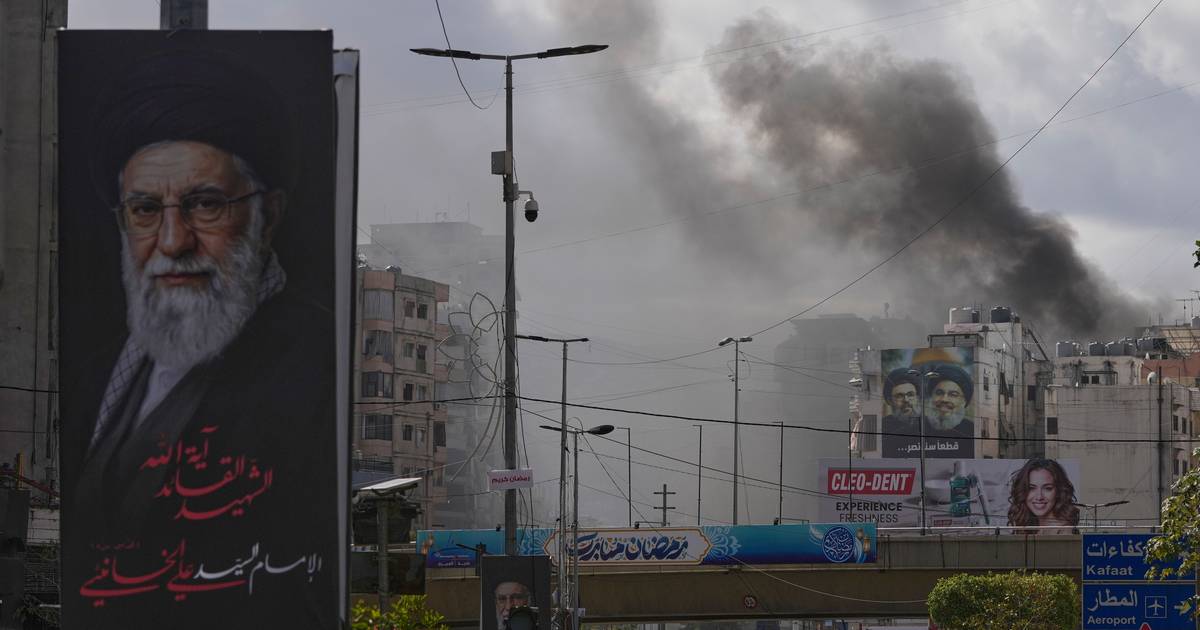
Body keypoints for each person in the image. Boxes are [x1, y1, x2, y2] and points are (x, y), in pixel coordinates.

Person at [60, 46, 336, 628]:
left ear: (268, 215)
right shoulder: (99, 375)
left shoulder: (314, 365)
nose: (172, 241)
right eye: (144, 210)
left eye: (205, 204)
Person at [1006, 458, 1080, 533]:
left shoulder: (1065, 530)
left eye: (1048, 488)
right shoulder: (1029, 527)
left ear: (1058, 491)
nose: (1039, 497)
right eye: (1031, 488)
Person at [881, 368, 921, 457]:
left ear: (917, 398)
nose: (906, 400)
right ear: (889, 401)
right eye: (899, 396)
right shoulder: (881, 428)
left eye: (910, 395)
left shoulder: (929, 425)